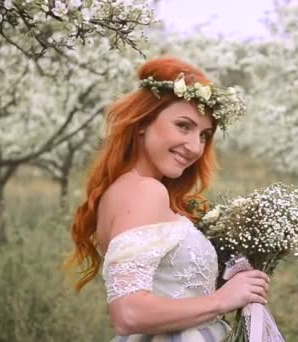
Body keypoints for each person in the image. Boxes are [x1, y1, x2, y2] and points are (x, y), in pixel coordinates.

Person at [66, 56, 270, 341]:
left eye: (204, 135)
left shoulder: (125, 190)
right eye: (183, 126)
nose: (195, 147)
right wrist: (222, 300)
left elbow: (166, 283)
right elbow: (128, 313)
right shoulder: (145, 191)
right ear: (142, 123)